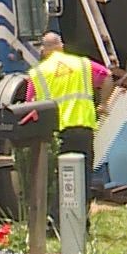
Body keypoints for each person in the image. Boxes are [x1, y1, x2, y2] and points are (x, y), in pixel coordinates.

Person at [24, 33, 111, 188]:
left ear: (43, 50)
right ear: (62, 47)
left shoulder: (36, 73)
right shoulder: (82, 64)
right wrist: (103, 104)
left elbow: (29, 104)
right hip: (83, 127)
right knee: (84, 174)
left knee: (60, 177)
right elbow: (107, 76)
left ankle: (58, 211)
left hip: (55, 132)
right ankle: (83, 209)